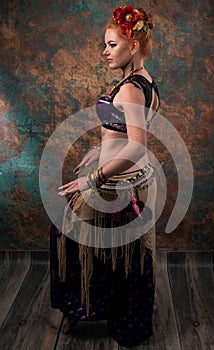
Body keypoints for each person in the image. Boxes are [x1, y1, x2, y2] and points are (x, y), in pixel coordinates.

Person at [50, 5, 160, 347]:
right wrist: (100, 149)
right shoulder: (146, 81)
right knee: (121, 255)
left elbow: (137, 146)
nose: (105, 52)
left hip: (113, 187)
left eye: (112, 45)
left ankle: (81, 311)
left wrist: (91, 179)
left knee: (71, 240)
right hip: (133, 181)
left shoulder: (129, 88)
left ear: (134, 46)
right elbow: (126, 132)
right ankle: (116, 316)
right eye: (106, 44)